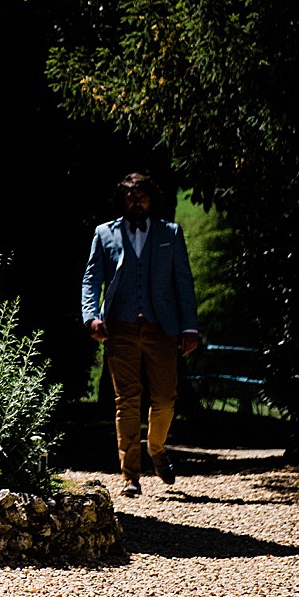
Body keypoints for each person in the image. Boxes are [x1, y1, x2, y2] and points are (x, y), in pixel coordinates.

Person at [80, 171, 200, 497]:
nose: (137, 201)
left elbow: (183, 283)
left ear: (150, 199)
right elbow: (92, 279)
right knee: (126, 401)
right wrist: (91, 316)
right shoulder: (104, 234)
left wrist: (189, 327)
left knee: (165, 399)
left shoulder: (169, 234)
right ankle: (130, 475)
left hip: (161, 327)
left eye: (142, 195)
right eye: (131, 195)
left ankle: (157, 448)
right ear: (123, 198)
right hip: (119, 326)